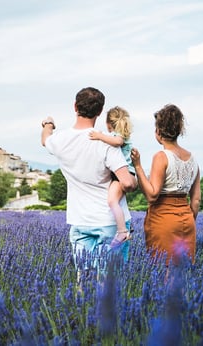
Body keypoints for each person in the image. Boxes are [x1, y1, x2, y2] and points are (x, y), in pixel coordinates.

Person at [41, 87, 137, 281]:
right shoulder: (105, 142)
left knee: (84, 281)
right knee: (109, 284)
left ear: (75, 107)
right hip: (110, 223)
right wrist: (136, 175)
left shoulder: (60, 140)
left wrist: (48, 124)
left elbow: (45, 140)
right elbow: (127, 183)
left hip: (80, 220)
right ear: (100, 112)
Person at [130, 104, 200, 265]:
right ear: (179, 130)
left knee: (163, 270)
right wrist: (188, 220)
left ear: (158, 131)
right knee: (184, 271)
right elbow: (196, 200)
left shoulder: (161, 156)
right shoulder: (193, 159)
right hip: (187, 220)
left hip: (163, 220)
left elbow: (152, 195)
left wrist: (138, 166)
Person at [89, 106, 135, 246]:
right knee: (115, 201)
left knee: (112, 201)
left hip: (123, 174)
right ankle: (124, 227)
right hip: (122, 174)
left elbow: (117, 142)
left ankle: (122, 231)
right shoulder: (120, 135)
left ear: (109, 123)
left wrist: (100, 136)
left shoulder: (118, 136)